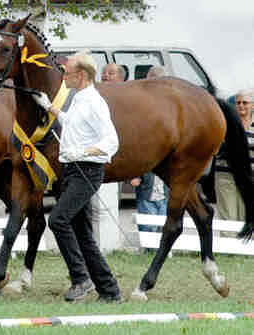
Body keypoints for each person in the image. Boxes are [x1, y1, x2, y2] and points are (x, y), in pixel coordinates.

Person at [33, 51, 122, 303]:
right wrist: (49, 107)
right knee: (82, 234)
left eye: (67, 72)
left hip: (87, 171)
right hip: (73, 170)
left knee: (58, 220)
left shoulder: (94, 102)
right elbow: (72, 123)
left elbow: (111, 141)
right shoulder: (79, 99)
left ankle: (81, 279)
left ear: (81, 75)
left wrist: (82, 151)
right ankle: (110, 291)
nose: (63, 77)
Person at [131, 66, 170, 219]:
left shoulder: (165, 106)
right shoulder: (144, 106)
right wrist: (136, 174)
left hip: (162, 177)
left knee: (162, 218)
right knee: (148, 222)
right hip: (148, 175)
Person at [215, 89, 254, 221]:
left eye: (245, 102)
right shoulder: (225, 123)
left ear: (252, 105)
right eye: (238, 103)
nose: (241, 106)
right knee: (228, 219)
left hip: (250, 179)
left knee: (247, 220)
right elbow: (216, 149)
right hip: (226, 177)